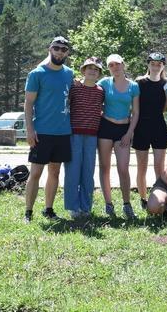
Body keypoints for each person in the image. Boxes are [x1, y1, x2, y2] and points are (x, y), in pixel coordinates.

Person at [23, 36, 75, 222]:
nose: (59, 52)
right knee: (36, 173)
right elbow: (28, 104)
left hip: (62, 132)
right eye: (56, 48)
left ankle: (49, 209)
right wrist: (29, 129)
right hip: (42, 132)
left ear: (67, 53)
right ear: (50, 49)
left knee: (55, 172)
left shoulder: (69, 74)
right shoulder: (37, 74)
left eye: (63, 49)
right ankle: (28, 212)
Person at [97, 54, 140, 219]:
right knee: (105, 167)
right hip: (106, 127)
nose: (115, 67)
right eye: (111, 65)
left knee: (123, 168)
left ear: (124, 65)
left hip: (124, 129)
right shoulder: (104, 83)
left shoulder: (133, 86)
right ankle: (108, 204)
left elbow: (136, 112)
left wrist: (130, 133)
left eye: (117, 64)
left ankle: (127, 204)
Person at [64, 56, 104, 219]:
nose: (92, 71)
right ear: (83, 70)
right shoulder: (75, 87)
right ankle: (73, 207)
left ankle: (86, 207)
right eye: (89, 68)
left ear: (99, 73)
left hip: (92, 136)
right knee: (72, 171)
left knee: (88, 172)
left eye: (96, 69)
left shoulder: (101, 91)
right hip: (74, 134)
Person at [133, 52, 167, 210]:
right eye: (153, 63)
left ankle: (160, 198)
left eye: (159, 64)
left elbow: (166, 107)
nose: (156, 66)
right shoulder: (139, 82)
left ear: (163, 66)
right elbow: (134, 106)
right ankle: (143, 198)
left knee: (159, 167)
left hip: (159, 126)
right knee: (142, 166)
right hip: (141, 127)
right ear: (148, 64)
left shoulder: (166, 84)